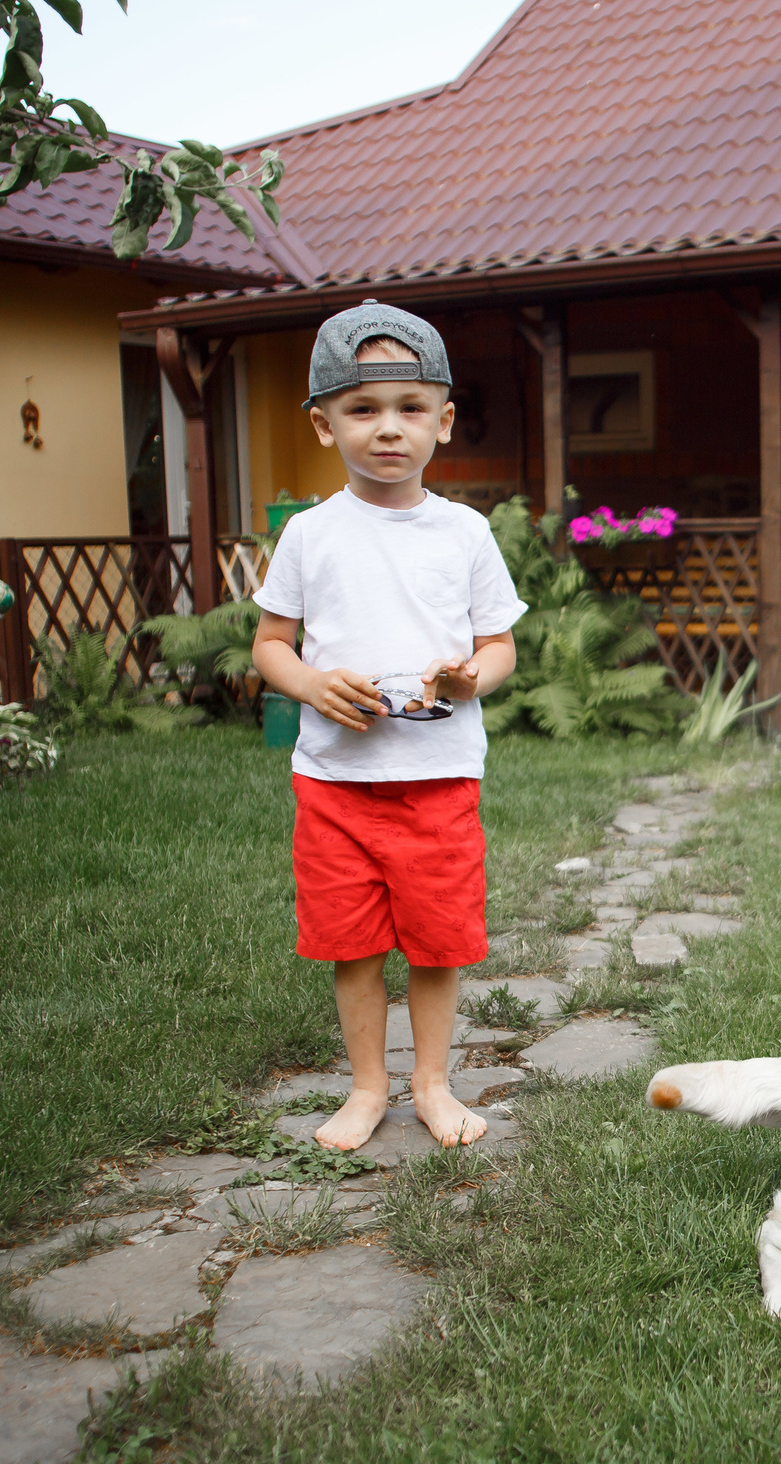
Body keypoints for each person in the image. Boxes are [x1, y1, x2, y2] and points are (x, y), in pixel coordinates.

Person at [250, 301, 525, 1150]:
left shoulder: (465, 533)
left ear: (443, 422)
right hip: (338, 781)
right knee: (354, 941)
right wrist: (311, 684)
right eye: (363, 409)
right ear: (325, 425)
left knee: (437, 940)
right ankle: (368, 1087)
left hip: (438, 775)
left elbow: (499, 643)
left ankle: (432, 1083)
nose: (388, 429)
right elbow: (270, 645)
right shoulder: (309, 533)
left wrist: (472, 675)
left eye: (410, 409)